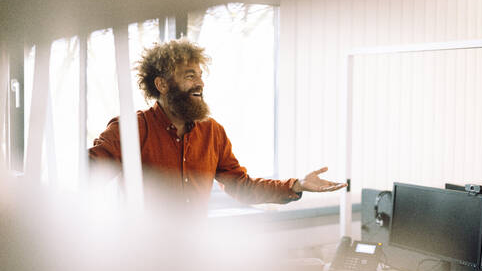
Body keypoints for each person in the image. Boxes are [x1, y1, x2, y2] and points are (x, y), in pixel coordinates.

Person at [89, 39, 347, 216]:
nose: (200, 83)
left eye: (200, 75)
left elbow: (240, 186)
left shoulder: (213, 132)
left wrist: (296, 185)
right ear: (162, 84)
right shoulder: (131, 129)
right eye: (190, 75)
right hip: (139, 261)